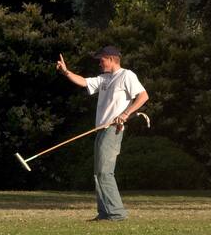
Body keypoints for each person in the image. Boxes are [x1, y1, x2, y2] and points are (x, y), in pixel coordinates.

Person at [56, 45, 149, 221]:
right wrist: (66, 72)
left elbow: (143, 96)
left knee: (105, 172)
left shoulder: (126, 75)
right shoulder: (104, 79)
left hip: (113, 129)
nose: (99, 63)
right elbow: (84, 81)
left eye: (102, 59)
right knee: (98, 172)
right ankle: (104, 213)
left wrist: (125, 114)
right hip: (101, 130)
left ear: (112, 59)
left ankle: (116, 213)